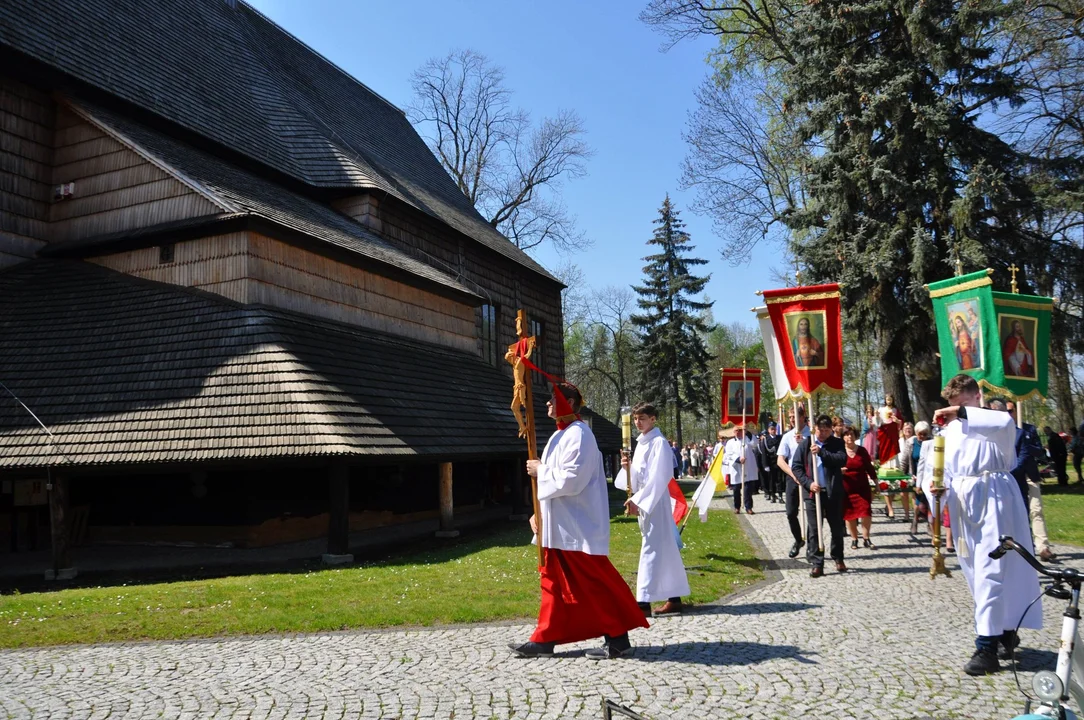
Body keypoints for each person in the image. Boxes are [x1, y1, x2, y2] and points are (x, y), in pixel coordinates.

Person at [510, 382, 649, 659]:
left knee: (594, 584)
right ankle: (545, 638)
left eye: (554, 398)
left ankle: (618, 638)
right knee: (552, 582)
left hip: (577, 527)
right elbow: (553, 486)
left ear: (570, 402)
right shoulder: (558, 436)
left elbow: (572, 480)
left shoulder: (580, 435)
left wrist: (541, 469)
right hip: (557, 525)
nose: (548, 403)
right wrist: (537, 512)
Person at [934, 374, 1041, 676]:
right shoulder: (950, 431)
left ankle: (987, 648)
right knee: (972, 570)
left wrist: (963, 413)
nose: (955, 413)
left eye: (963, 406)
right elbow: (944, 468)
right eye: (953, 406)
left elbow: (1005, 425)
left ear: (976, 399)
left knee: (991, 570)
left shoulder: (995, 422)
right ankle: (1005, 630)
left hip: (994, 499)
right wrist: (937, 489)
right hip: (963, 505)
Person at [619, 402, 690, 616]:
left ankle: (642, 603)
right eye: (635, 419)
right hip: (647, 501)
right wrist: (627, 468)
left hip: (655, 502)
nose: (638, 422)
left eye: (642, 418)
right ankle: (674, 598)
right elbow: (639, 476)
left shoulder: (659, 443)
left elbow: (659, 477)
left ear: (653, 419)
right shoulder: (641, 444)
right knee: (665, 549)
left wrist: (638, 500)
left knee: (650, 548)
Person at [990, 399, 1055, 562]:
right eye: (1007, 411)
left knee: (1036, 509)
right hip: (1012, 477)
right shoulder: (997, 432)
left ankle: (1043, 547)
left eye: (1011, 411)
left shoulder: (1028, 429)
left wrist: (1026, 442)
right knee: (1019, 512)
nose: (1009, 414)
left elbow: (1039, 451)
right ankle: (1023, 545)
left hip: (1029, 475)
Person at [791, 414, 849, 577]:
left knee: (837, 527)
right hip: (812, 494)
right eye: (820, 430)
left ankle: (838, 557)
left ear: (831, 429)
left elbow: (841, 460)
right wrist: (809, 483)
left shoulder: (836, 443)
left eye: (826, 430)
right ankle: (817, 562)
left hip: (832, 493)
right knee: (814, 529)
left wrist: (822, 452)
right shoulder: (805, 444)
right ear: (814, 428)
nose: (823, 433)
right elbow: (796, 467)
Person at [777, 405, 811, 558]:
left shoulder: (811, 434)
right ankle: (798, 539)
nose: (792, 420)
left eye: (795, 417)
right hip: (793, 476)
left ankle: (812, 544)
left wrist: (805, 442)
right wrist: (793, 474)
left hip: (809, 476)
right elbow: (780, 460)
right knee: (791, 512)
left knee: (812, 512)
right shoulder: (787, 436)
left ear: (803, 417)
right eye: (790, 417)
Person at [840, 425, 876, 549]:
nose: (849, 437)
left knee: (866, 511)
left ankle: (866, 538)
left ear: (855, 436)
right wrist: (839, 471)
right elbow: (832, 468)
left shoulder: (862, 450)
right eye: (846, 434)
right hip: (847, 488)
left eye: (852, 434)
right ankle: (854, 539)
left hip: (862, 487)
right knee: (850, 515)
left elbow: (870, 468)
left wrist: (877, 483)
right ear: (843, 437)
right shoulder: (839, 451)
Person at [725, 423, 758, 514]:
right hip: (736, 468)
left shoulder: (746, 439)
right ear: (733, 432)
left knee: (747, 489)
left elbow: (755, 443)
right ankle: (737, 507)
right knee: (736, 489)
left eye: (740, 430)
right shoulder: (730, 442)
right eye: (736, 431)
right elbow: (729, 454)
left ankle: (748, 507)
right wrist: (738, 459)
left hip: (747, 467)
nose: (738, 432)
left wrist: (747, 432)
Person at [760, 422, 782, 503]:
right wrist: (765, 465)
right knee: (771, 480)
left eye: (774, 429)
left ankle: (780, 495)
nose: (773, 431)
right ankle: (772, 495)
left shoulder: (780, 438)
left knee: (779, 479)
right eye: (772, 429)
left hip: (779, 461)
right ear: (769, 430)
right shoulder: (765, 440)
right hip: (770, 462)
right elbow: (764, 453)